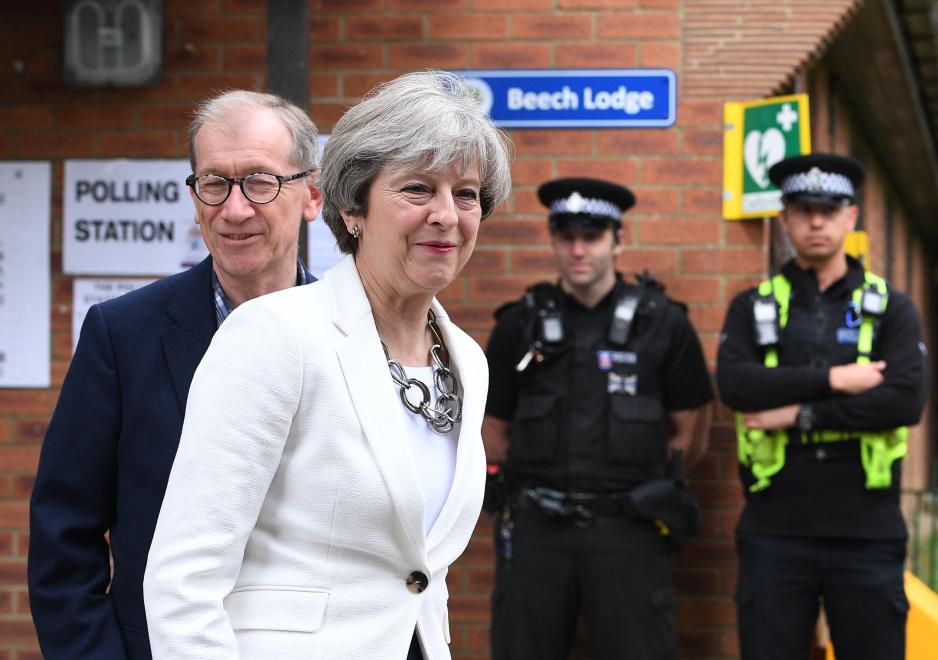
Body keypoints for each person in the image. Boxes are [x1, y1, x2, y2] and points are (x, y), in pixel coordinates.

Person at [142, 70, 512, 660]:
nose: (446, 214)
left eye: (465, 193)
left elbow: (417, 575)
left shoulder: (469, 359)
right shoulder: (275, 335)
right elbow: (183, 580)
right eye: (417, 189)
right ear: (352, 207)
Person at [28, 90, 323, 659]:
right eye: (214, 184)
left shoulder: (357, 335)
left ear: (311, 195)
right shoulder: (123, 334)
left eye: (260, 182)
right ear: (194, 198)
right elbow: (64, 533)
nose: (234, 210)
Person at [483, 177, 714, 660]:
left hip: (628, 528)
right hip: (536, 533)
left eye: (591, 237)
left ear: (619, 240)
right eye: (566, 237)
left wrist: (644, 486)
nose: (578, 250)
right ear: (552, 239)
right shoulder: (518, 325)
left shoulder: (663, 323)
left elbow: (690, 432)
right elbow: (493, 429)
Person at [716, 153, 928, 660]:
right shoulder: (753, 306)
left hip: (867, 531)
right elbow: (738, 385)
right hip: (774, 530)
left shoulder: (893, 307)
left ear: (850, 218)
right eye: (802, 208)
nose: (815, 220)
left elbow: (903, 400)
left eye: (829, 209)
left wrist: (798, 412)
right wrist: (839, 379)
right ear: (784, 218)